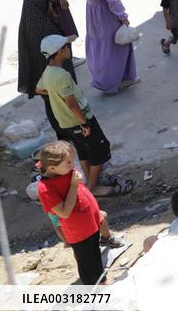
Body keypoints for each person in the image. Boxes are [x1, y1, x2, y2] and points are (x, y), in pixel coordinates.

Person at [35, 35, 128, 197]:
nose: (69, 49)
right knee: (100, 150)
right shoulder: (62, 75)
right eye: (66, 47)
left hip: (66, 123)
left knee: (84, 151)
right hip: (79, 120)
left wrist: (54, 94)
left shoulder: (48, 73)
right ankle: (91, 188)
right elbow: (72, 104)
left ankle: (90, 183)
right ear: (59, 52)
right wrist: (84, 123)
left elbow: (38, 89)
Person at [36, 141, 111, 284]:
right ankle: (93, 290)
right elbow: (64, 213)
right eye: (68, 162)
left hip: (91, 223)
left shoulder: (64, 171)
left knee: (95, 254)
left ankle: (102, 282)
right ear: (52, 167)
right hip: (80, 232)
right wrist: (73, 185)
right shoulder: (45, 189)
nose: (73, 165)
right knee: (86, 263)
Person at [69, 0, 137, 94]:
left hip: (92, 14)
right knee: (117, 45)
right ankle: (117, 81)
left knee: (99, 46)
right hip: (106, 13)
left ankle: (103, 80)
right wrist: (122, 16)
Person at [18, 0, 76, 140]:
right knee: (65, 106)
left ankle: (62, 136)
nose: (51, 8)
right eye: (48, 5)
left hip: (43, 82)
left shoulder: (28, 28)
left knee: (51, 106)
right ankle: (73, 132)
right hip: (57, 80)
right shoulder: (47, 29)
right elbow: (62, 52)